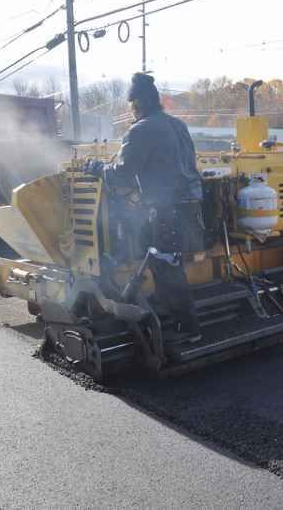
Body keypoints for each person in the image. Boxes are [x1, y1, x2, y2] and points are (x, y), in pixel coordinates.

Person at [86, 73, 204, 344]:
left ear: (136, 104)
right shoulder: (177, 125)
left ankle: (189, 329)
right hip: (190, 205)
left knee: (166, 265)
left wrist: (94, 167)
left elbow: (121, 175)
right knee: (167, 261)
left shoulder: (140, 130)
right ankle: (171, 317)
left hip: (166, 209)